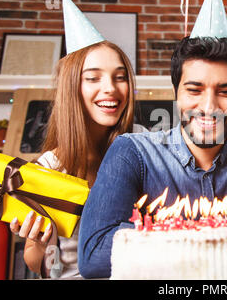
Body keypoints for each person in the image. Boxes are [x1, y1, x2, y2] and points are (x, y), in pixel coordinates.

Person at [77, 36, 227, 278]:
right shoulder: (132, 152)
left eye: (225, 92)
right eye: (194, 90)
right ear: (176, 92)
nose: (208, 106)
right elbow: (95, 254)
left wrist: (157, 239)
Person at [9, 40, 137, 278]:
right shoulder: (49, 167)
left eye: (120, 77)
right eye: (93, 78)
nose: (110, 88)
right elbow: (42, 265)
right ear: (72, 87)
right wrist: (39, 242)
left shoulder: (141, 142)